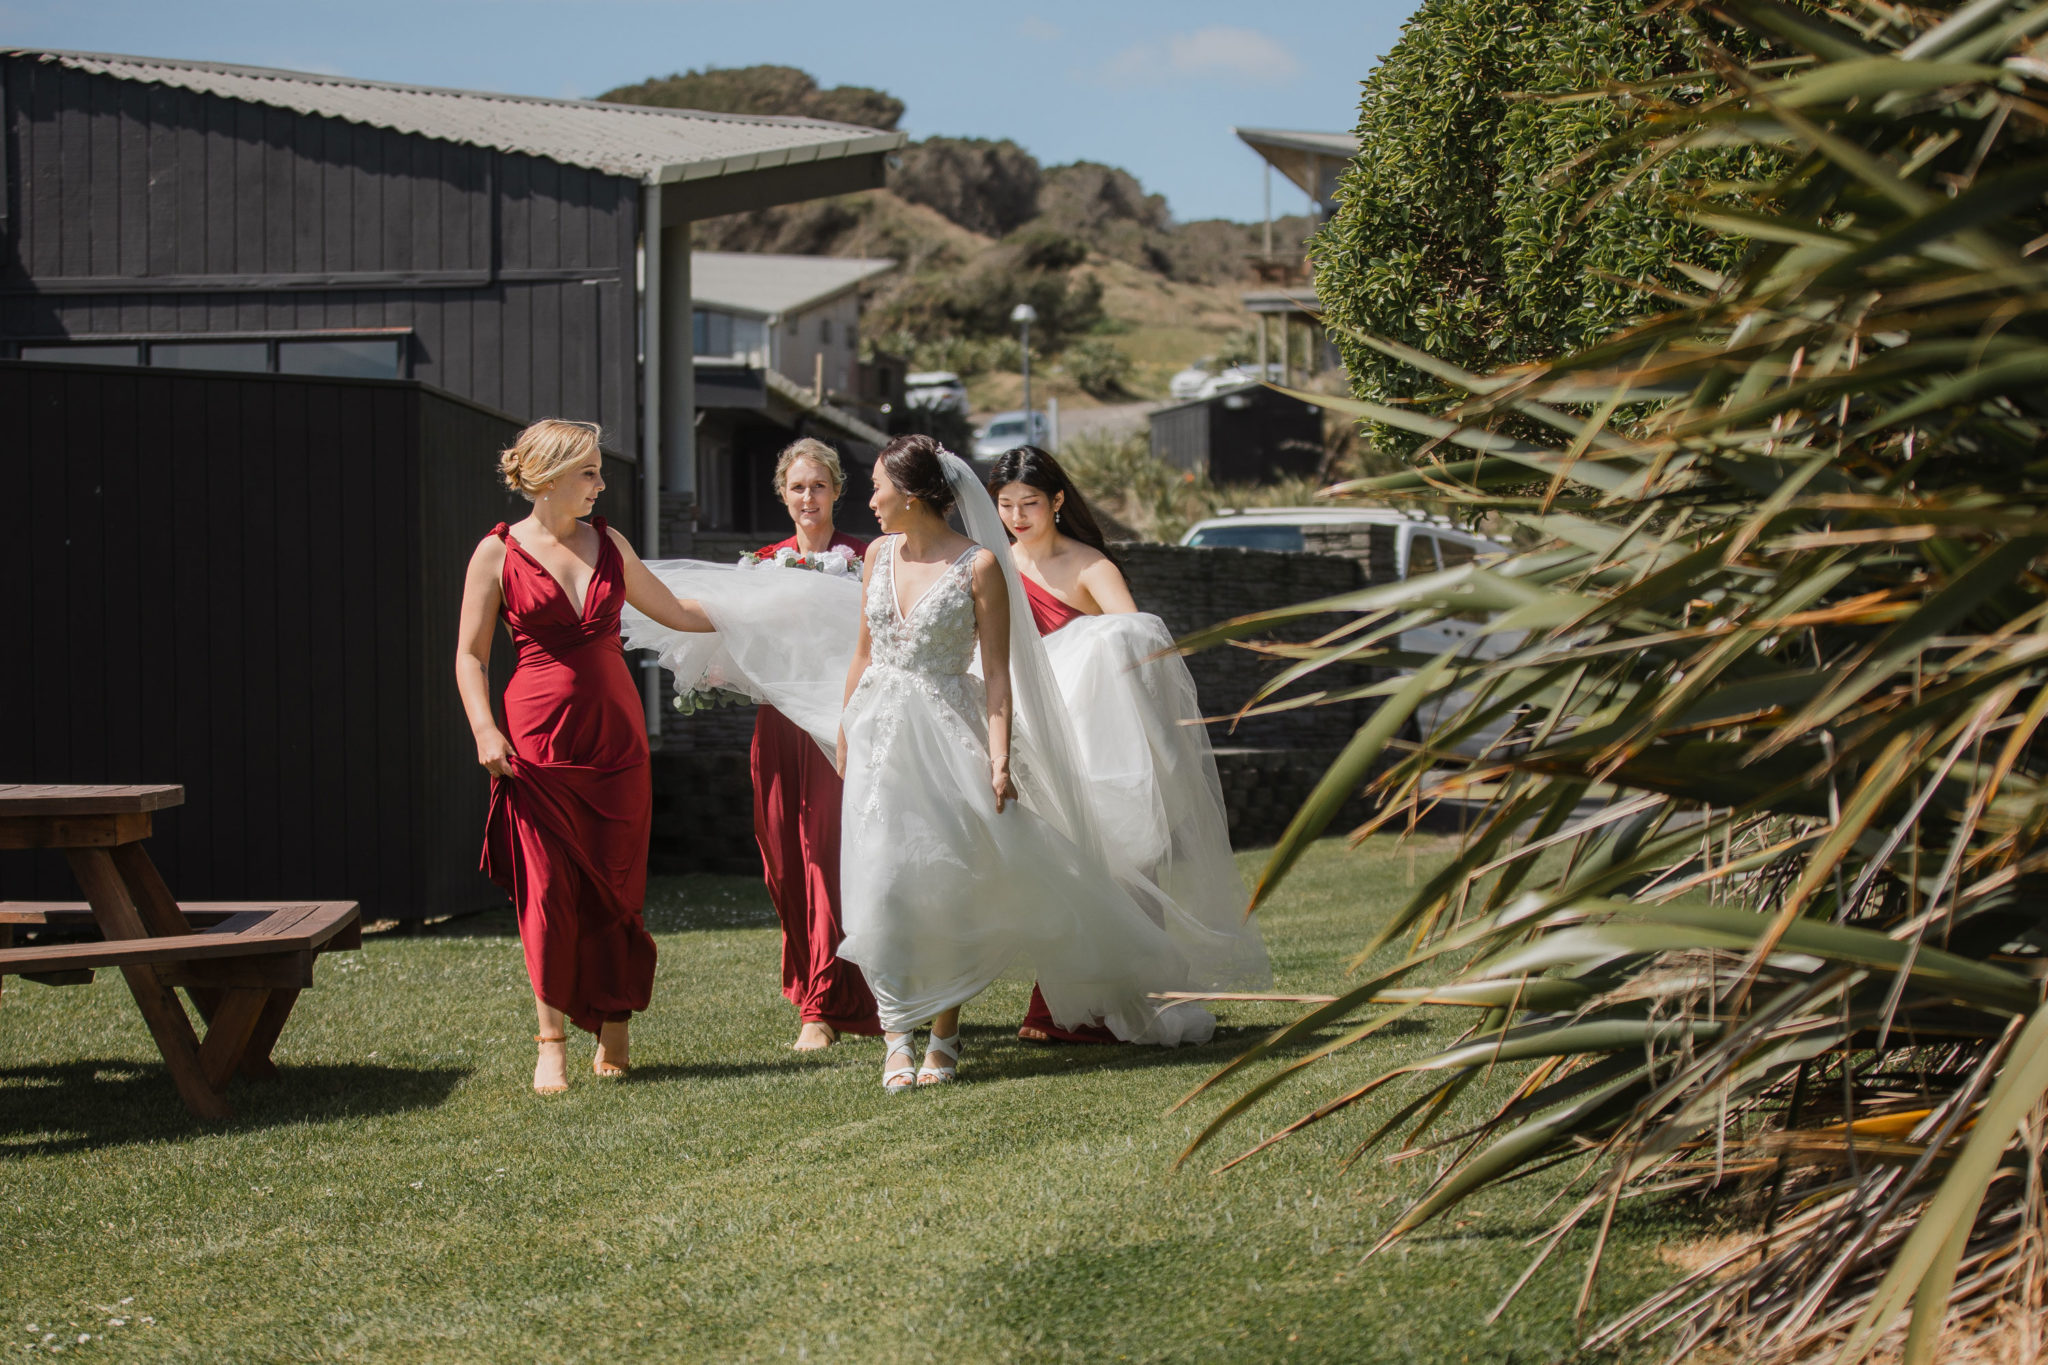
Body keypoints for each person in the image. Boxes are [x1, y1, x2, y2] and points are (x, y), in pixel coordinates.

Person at [833, 435, 1216, 1094]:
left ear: (915, 492)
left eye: (877, 486)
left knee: (948, 883)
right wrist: (844, 730)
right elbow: (864, 653)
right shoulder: (877, 555)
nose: (868, 499)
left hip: (963, 734)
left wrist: (1000, 754)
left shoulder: (981, 566)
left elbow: (1010, 674)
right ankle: (896, 1031)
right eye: (1005, 502)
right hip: (879, 737)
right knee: (880, 884)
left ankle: (945, 1036)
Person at [455, 418, 713, 1094]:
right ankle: (551, 1040)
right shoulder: (497, 552)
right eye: (590, 472)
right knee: (546, 892)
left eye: (599, 471)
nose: (601, 485)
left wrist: (770, 614)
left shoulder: (610, 543)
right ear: (546, 477)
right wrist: (484, 728)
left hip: (617, 740)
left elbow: (676, 612)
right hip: (536, 743)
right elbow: (470, 655)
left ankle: (616, 1019)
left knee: (618, 883)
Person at [990, 446, 1271, 1043]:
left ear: (1058, 500)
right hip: (1035, 738)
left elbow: (1141, 649)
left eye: (1030, 504)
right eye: (1006, 505)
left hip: (1100, 742)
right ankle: (1062, 1004)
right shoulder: (994, 566)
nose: (1018, 516)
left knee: (1121, 866)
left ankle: (1129, 998)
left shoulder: (1091, 566)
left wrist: (1081, 649)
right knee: (1058, 871)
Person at [745, 439, 880, 1050]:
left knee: (826, 852)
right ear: (783, 492)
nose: (808, 498)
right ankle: (812, 983)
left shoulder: (865, 557)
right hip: (778, 727)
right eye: (798, 487)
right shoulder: (763, 564)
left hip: (840, 725)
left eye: (819, 486)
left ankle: (821, 1007)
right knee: (783, 860)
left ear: (837, 491)